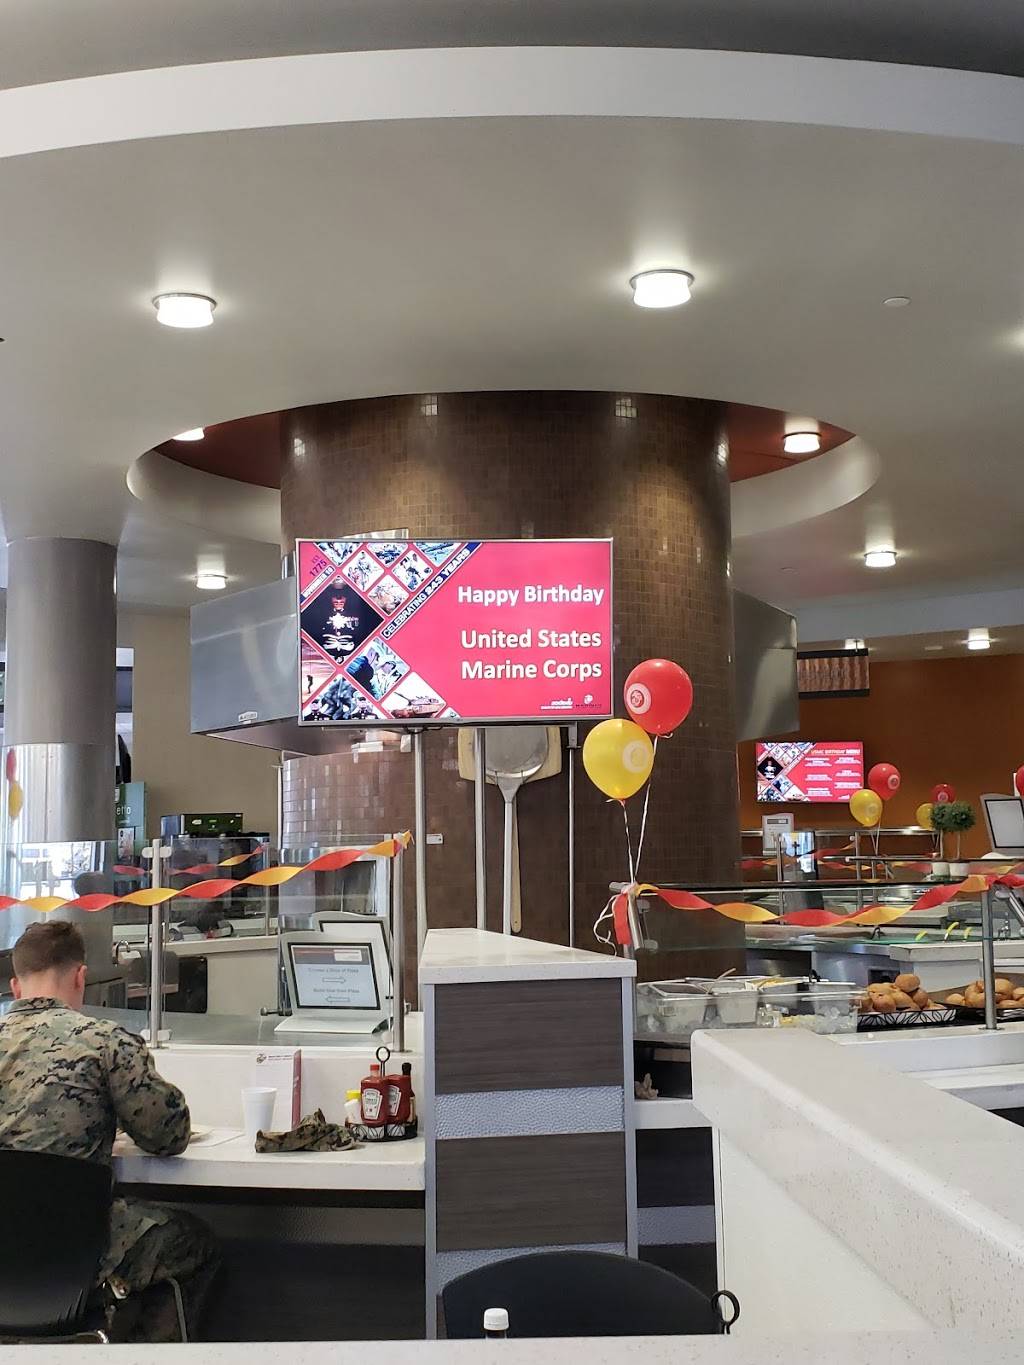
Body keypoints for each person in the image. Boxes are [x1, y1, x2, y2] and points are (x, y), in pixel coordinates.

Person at [0, 921, 219, 1340]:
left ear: (15, 986)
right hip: (71, 1250)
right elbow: (169, 1136)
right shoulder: (106, 1043)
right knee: (192, 1242)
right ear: (80, 977)